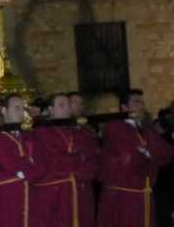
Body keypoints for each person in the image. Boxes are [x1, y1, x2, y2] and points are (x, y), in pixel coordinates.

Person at [97, 89, 174, 227]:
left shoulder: (146, 129)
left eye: (142, 103)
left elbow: (167, 153)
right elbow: (129, 156)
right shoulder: (114, 127)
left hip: (143, 194)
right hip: (124, 196)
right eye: (136, 102)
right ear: (124, 108)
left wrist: (148, 152)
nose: (141, 106)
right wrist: (150, 154)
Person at [34, 93, 98, 227]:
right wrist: (78, 158)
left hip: (79, 190)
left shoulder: (81, 131)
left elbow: (91, 157)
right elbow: (55, 160)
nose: (66, 108)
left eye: (68, 105)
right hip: (54, 193)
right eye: (61, 105)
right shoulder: (41, 131)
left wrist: (80, 170)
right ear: (50, 109)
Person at [0, 94, 46, 227]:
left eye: (23, 108)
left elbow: (41, 166)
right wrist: (29, 164)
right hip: (6, 198)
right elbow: (8, 163)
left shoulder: (29, 136)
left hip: (30, 195)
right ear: (4, 111)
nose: (21, 112)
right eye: (17, 108)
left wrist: (23, 172)